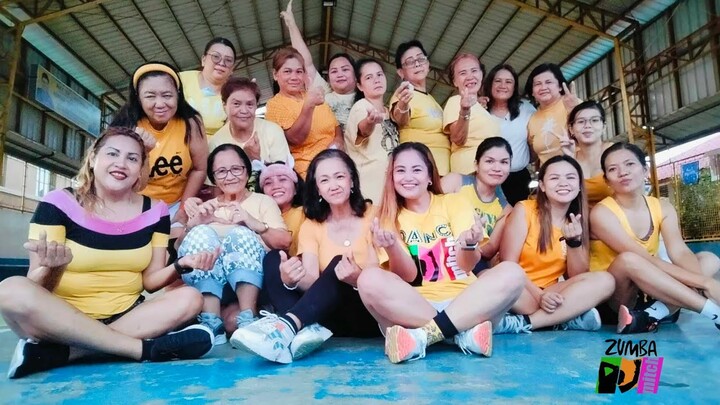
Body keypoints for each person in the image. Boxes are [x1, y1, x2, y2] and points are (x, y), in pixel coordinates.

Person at [0, 127, 218, 379]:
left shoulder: (155, 211)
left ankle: (64, 353)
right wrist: (54, 268)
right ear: (93, 159)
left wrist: (180, 264)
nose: (121, 164)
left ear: (141, 169)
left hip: (126, 316)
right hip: (58, 320)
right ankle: (142, 349)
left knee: (190, 298)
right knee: (10, 290)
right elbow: (36, 288)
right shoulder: (58, 203)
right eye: (112, 154)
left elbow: (150, 281)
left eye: (132, 158)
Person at [357, 142, 525, 364]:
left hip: (466, 302)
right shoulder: (386, 216)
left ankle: (423, 337)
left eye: (417, 169)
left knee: (513, 273)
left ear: (429, 176)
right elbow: (408, 276)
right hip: (414, 307)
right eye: (400, 170)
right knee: (368, 279)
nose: (408, 177)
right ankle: (461, 334)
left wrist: (468, 244)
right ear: (392, 177)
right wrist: (391, 247)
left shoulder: (454, 202)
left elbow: (466, 266)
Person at [231, 149, 380, 363]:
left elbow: (384, 276)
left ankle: (288, 327)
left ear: (352, 180)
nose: (333, 185)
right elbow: (311, 281)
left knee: (339, 263)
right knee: (274, 258)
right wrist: (290, 280)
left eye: (339, 176)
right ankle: (303, 329)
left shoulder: (375, 214)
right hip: (331, 319)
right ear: (317, 188)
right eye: (324, 180)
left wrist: (356, 279)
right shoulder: (312, 225)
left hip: (368, 314)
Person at [589, 142, 720, 333]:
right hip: (619, 299)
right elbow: (642, 258)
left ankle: (652, 314)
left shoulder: (662, 207)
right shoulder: (601, 213)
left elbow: (680, 252)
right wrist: (705, 283)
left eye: (629, 164)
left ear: (645, 170)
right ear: (607, 180)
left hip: (656, 291)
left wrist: (698, 281)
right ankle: (715, 313)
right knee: (628, 260)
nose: (623, 172)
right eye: (612, 169)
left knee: (709, 259)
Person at [177, 144, 291, 344]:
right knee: (202, 233)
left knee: (240, 234)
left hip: (255, 281)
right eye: (221, 171)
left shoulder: (263, 201)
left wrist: (252, 223)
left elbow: (284, 242)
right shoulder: (207, 207)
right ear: (213, 177)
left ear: (247, 171)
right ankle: (212, 323)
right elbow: (180, 249)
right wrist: (193, 225)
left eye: (236, 169)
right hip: (214, 283)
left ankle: (248, 318)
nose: (229, 176)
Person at [496, 155, 614, 334]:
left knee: (606, 281)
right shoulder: (524, 209)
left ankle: (527, 323)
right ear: (542, 186)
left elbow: (577, 276)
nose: (563, 183)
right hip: (520, 289)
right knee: (504, 282)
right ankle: (561, 318)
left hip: (551, 291)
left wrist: (574, 242)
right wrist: (540, 296)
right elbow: (508, 264)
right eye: (554, 178)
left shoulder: (576, 221)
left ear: (579, 185)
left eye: (570, 177)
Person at [110, 62, 209, 242]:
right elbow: (119, 179)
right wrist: (142, 152)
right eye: (150, 96)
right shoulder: (126, 126)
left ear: (178, 94)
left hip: (176, 205)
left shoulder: (191, 123)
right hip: (133, 204)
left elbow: (199, 169)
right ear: (138, 98)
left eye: (167, 95)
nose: (160, 104)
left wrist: (183, 210)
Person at [264, 47, 343, 178]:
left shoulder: (313, 95)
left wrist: (339, 139)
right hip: (309, 173)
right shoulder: (274, 105)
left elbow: (335, 125)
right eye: (287, 71)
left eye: (299, 71)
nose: (294, 77)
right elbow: (295, 139)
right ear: (275, 74)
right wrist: (309, 106)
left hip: (337, 164)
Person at [280, 0, 356, 131]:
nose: (339, 74)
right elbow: (306, 63)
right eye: (334, 71)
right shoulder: (324, 93)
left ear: (356, 76)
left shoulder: (364, 97)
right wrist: (291, 25)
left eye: (345, 69)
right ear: (329, 79)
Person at [442, 137, 513, 272]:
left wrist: (472, 240)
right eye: (489, 161)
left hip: (473, 261)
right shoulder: (455, 182)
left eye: (504, 162)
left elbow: (490, 249)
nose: (497, 168)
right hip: (439, 250)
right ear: (476, 165)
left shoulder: (506, 210)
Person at [209, 77, 291, 191]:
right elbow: (216, 188)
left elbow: (284, 177)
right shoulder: (216, 142)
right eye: (236, 104)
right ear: (224, 105)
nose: (244, 111)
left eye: (250, 104)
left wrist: (256, 159)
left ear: (256, 105)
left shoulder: (272, 131)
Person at [390, 41, 450, 175]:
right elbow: (400, 118)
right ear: (401, 72)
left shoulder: (433, 101)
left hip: (443, 171)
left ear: (428, 65)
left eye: (420, 59)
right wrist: (403, 105)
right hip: (422, 171)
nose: (417, 64)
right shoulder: (403, 94)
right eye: (410, 62)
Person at [345, 58, 399, 203]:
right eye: (369, 77)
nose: (376, 80)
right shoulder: (361, 107)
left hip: (391, 185)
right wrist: (370, 122)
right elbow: (363, 131)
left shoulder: (389, 112)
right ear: (359, 85)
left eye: (379, 74)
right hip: (370, 188)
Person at [484, 64, 536, 205]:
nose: (503, 85)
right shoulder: (480, 110)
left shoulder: (526, 109)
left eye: (508, 82)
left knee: (517, 215)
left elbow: (535, 139)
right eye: (498, 81)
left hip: (518, 178)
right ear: (490, 84)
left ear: (514, 87)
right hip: (487, 177)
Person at [443, 53, 501, 175]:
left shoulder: (483, 109)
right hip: (470, 173)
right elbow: (457, 139)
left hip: (490, 173)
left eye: (474, 70)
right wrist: (464, 110)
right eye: (463, 73)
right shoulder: (455, 101)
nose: (470, 77)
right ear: (454, 81)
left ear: (481, 75)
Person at [525, 63, 581, 167]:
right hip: (549, 174)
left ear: (560, 86)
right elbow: (533, 155)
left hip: (578, 171)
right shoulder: (532, 119)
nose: (543, 87)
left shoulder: (573, 103)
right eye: (537, 84)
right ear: (532, 92)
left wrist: (573, 111)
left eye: (548, 82)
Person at [179, 37, 236, 137]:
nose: (222, 63)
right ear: (203, 60)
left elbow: (231, 132)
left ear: (232, 69)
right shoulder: (180, 80)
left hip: (215, 145)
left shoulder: (234, 93)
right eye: (216, 56)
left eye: (228, 60)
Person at [567, 100, 613, 208]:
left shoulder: (617, 153)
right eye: (581, 121)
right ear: (571, 129)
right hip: (579, 217)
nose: (587, 125)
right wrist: (568, 161)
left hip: (616, 216)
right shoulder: (569, 157)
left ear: (604, 126)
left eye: (594, 120)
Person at [258, 158, 305, 257]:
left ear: (296, 189)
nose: (276, 186)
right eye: (268, 183)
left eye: (282, 179)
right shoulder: (255, 218)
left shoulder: (306, 213)